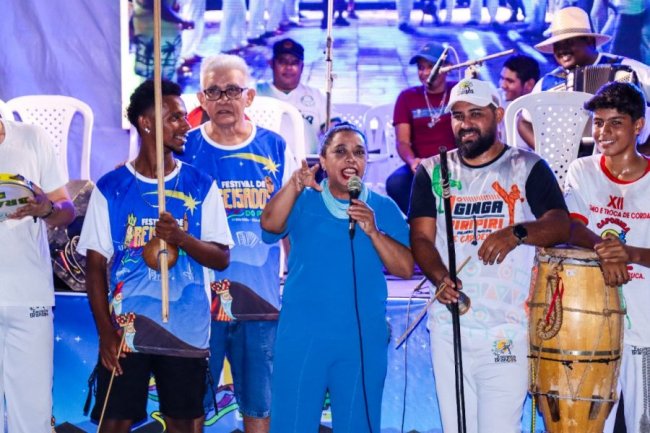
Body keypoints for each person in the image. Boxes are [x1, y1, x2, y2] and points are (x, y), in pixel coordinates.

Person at [409, 78, 571, 433]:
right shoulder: (432, 171)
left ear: (498, 115)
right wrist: (439, 276)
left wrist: (516, 233)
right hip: (449, 327)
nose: (465, 123)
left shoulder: (526, 165)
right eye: (458, 116)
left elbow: (561, 225)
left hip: (506, 328)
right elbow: (420, 238)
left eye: (476, 114)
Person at [78, 79, 233, 433]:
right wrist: (105, 333)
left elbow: (221, 257)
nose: (186, 125)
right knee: (113, 424)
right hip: (127, 331)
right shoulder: (111, 188)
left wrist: (181, 238)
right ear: (146, 123)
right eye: (174, 117)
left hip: (185, 329)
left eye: (184, 117)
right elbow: (95, 266)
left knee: (184, 425)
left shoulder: (200, 185)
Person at [260, 122, 413, 433]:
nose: (351, 159)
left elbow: (405, 268)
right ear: (323, 161)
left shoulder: (382, 208)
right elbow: (270, 226)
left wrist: (374, 232)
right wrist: (294, 185)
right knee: (292, 425)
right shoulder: (304, 200)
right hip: (303, 334)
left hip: (361, 339)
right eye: (340, 151)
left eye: (359, 152)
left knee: (358, 425)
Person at [179, 54, 297, 433]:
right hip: (198, 303)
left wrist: (295, 286)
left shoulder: (274, 148)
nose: (224, 99)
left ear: (249, 96)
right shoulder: (184, 150)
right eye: (214, 91)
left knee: (259, 407)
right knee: (190, 407)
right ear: (201, 99)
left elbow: (291, 224)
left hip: (261, 302)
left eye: (232, 90)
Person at [562, 82, 650, 433]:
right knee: (588, 426)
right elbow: (571, 228)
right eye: (598, 123)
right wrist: (607, 251)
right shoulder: (582, 170)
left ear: (638, 125)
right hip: (591, 320)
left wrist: (629, 253)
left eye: (615, 123)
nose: (603, 132)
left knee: (643, 423)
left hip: (645, 326)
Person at [0, 119, 75, 433]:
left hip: (29, 295)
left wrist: (46, 209)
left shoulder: (31, 137)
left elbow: (67, 210)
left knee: (33, 420)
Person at [522, 6, 650, 152]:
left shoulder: (630, 70)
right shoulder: (548, 84)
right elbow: (524, 121)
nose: (562, 50)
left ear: (589, 41)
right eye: (557, 45)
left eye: (568, 42)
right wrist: (549, 153)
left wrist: (643, 152)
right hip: (570, 162)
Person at [387, 42, 456, 215]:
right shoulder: (407, 97)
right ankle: (421, 222)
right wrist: (412, 161)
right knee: (395, 183)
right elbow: (402, 142)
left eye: (431, 67)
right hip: (422, 166)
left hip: (455, 164)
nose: (424, 73)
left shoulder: (458, 91)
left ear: (447, 67)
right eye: (420, 68)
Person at [257, 38, 328, 156]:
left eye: (294, 62)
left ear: (302, 66)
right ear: (272, 64)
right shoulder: (255, 93)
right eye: (282, 62)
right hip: (264, 163)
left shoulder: (316, 96)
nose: (288, 67)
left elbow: (333, 128)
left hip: (308, 164)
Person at [131, 0, 194, 80]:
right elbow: (159, 8)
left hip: (155, 33)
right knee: (161, 79)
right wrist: (183, 21)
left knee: (154, 78)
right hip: (158, 35)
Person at [499, 54, 540, 149]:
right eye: (501, 78)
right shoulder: (496, 99)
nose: (503, 85)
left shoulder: (541, 110)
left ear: (529, 85)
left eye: (510, 81)